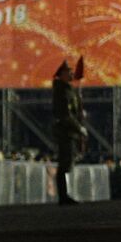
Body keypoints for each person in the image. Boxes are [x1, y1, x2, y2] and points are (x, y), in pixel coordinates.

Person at [51, 60, 86, 205]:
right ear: (62, 74)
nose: (72, 73)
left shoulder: (69, 90)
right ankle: (64, 195)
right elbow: (66, 114)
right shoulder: (62, 91)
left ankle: (66, 194)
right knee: (65, 163)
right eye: (69, 71)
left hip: (71, 132)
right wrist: (78, 127)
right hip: (66, 132)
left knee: (68, 162)